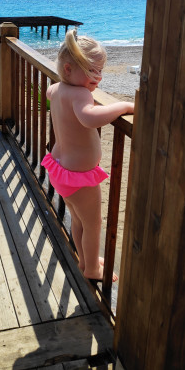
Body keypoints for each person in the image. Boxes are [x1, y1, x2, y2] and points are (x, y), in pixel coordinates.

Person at [41, 29, 134, 281]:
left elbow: (51, 95)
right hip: (78, 176)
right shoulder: (81, 94)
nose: (98, 77)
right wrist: (124, 106)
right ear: (68, 69)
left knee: (78, 220)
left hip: (59, 170)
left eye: (100, 70)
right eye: (92, 70)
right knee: (93, 225)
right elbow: (88, 118)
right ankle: (92, 269)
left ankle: (85, 260)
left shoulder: (57, 89)